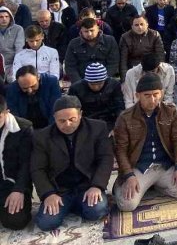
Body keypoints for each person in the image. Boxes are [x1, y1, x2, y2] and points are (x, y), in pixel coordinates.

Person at [31, 96, 114, 231]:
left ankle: (76, 206)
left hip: (87, 186)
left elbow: (106, 158)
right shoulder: (42, 137)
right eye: (61, 121)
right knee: (46, 223)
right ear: (54, 118)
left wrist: (97, 186)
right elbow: (37, 169)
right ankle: (72, 206)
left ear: (80, 114)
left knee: (96, 211)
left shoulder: (97, 128)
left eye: (72, 119)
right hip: (59, 190)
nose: (67, 124)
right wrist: (48, 194)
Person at [112, 73, 177, 211]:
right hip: (139, 167)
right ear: (137, 96)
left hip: (164, 165)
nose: (152, 99)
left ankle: (154, 185)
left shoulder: (171, 112)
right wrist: (129, 175)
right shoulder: (125, 118)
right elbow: (120, 151)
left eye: (156, 94)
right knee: (127, 205)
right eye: (147, 95)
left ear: (162, 93)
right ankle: (121, 185)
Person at [0, 95, 33, 230]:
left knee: (15, 221)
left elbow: (27, 163)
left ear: (6, 112)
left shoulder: (23, 128)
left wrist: (19, 189)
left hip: (14, 183)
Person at [68, 62, 125, 132]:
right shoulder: (76, 89)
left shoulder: (114, 85)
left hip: (109, 121)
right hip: (86, 123)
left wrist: (117, 126)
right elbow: (73, 111)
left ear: (105, 80)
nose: (96, 87)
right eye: (92, 84)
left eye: (100, 84)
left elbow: (119, 107)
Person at [64, 17, 120, 83]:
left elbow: (113, 63)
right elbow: (70, 66)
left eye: (92, 30)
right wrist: (79, 83)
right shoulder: (73, 43)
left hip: (105, 80)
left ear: (98, 29)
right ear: (81, 31)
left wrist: (102, 80)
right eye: (86, 31)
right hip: (81, 81)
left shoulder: (110, 41)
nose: (89, 34)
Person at [0, 6, 24, 71]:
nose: (4, 19)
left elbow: (19, 49)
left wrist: (16, 65)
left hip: (13, 63)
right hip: (0, 63)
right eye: (1, 17)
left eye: (6, 16)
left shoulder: (18, 29)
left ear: (10, 17)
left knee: (13, 79)